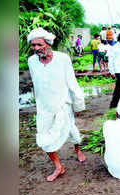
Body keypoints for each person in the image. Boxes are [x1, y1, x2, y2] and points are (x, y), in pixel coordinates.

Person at [27, 28, 86, 182]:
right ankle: (59, 166)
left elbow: (72, 82)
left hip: (62, 105)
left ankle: (78, 150)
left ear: (48, 44)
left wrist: (78, 104)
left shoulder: (62, 59)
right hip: (44, 108)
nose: (36, 48)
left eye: (39, 44)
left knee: (72, 131)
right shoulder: (32, 61)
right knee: (43, 138)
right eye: (33, 45)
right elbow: (35, 83)